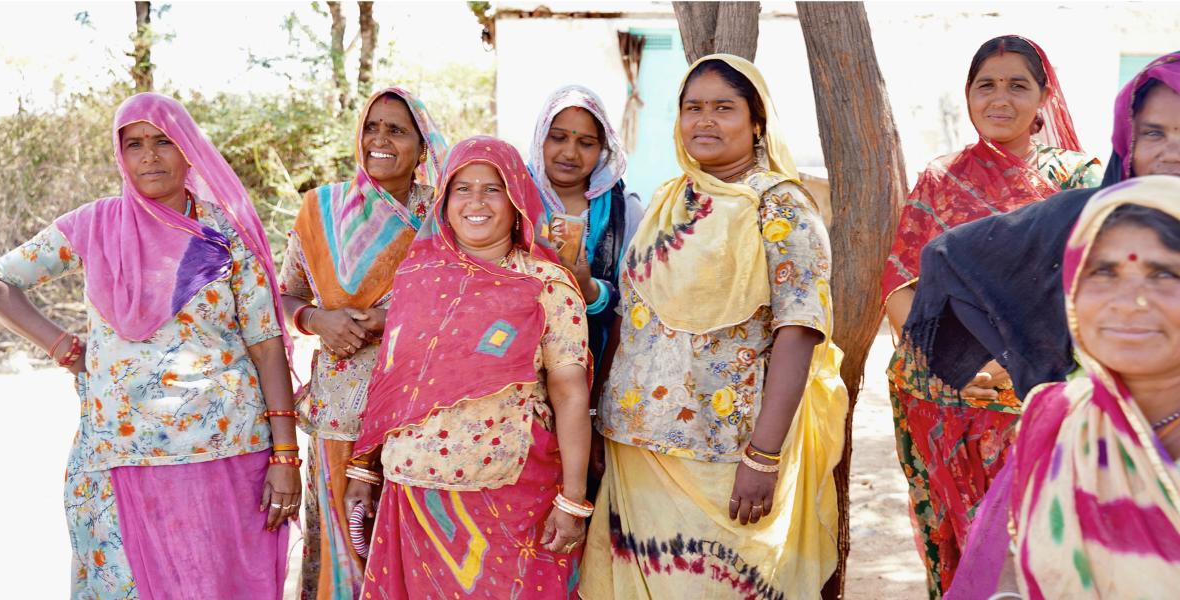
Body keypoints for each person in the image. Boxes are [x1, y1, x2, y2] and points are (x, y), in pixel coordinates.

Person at [0, 93, 299, 600]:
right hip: (121, 453)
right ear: (120, 154)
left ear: (188, 149)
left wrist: (286, 456)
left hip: (226, 449)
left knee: (222, 586)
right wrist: (62, 347)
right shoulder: (93, 225)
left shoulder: (226, 232)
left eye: (163, 141)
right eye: (134, 144)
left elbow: (266, 344)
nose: (149, 156)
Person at [578, 54, 848, 600]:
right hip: (636, 446)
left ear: (757, 123)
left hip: (727, 453)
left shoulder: (781, 206)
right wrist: (599, 418)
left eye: (724, 108)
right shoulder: (667, 200)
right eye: (692, 107)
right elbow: (632, 316)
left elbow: (799, 329)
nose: (704, 120)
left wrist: (763, 456)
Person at [881, 36, 1103, 598]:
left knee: (1036, 552)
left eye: (1017, 85)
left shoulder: (1077, 179)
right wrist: (953, 366)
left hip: (1034, 398)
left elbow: (1090, 286)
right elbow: (899, 285)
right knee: (958, 555)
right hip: (939, 399)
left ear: (1044, 97)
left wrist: (1009, 363)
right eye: (987, 85)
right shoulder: (940, 179)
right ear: (969, 95)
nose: (999, 99)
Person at [346, 136, 592, 599]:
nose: (476, 202)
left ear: (517, 201)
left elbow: (570, 393)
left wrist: (573, 500)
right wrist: (363, 469)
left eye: (492, 189)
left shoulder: (546, 284)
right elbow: (392, 384)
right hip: (415, 494)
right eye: (462, 188)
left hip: (513, 498)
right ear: (444, 200)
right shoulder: (417, 278)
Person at [903, 51, 1180, 402]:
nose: (1173, 152)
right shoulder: (1085, 216)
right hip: (1105, 422)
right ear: (1128, 140)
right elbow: (947, 255)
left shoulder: (1076, 175)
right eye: (1153, 133)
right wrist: (1022, 363)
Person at [951, 176, 1180, 600]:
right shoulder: (1056, 416)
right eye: (1103, 272)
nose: (1127, 302)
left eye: (1164, 273)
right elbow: (1020, 552)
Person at [278, 86, 446, 600]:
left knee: (408, 552)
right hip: (340, 417)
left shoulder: (444, 213)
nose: (380, 140)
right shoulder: (321, 209)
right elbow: (283, 297)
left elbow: (465, 299)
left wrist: (389, 320)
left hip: (420, 416)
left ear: (423, 145)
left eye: (396, 130)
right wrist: (316, 319)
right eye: (372, 127)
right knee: (343, 553)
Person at [529, 85, 644, 372]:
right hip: (516, 363)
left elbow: (638, 305)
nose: (570, 152)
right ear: (540, 137)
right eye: (558, 137)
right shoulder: (511, 196)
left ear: (603, 148)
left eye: (586, 143)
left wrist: (589, 289)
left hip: (595, 363)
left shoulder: (625, 210)